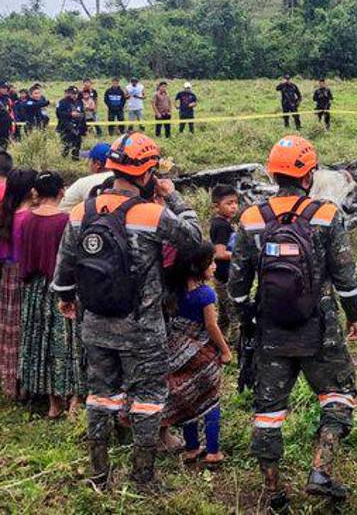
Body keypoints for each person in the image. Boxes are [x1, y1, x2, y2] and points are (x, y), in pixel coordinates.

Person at [52, 132, 203, 489]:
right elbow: (194, 239)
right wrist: (174, 197)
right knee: (148, 400)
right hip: (143, 328)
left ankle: (98, 476)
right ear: (147, 172)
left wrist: (67, 298)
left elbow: (64, 270)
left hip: (95, 324)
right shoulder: (152, 214)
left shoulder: (80, 211)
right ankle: (142, 478)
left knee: (100, 396)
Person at [228, 135, 357, 507]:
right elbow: (347, 279)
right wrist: (354, 316)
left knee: (268, 410)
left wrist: (247, 320)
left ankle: (273, 492)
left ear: (273, 174)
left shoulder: (251, 218)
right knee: (338, 395)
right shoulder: (326, 215)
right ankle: (321, 469)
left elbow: (236, 286)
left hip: (270, 327)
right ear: (309, 174)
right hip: (320, 326)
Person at [16, 172, 81, 418]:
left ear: (36, 193)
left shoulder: (25, 220)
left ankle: (52, 402)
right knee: (67, 344)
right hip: (60, 290)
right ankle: (73, 398)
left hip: (34, 288)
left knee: (38, 342)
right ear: (61, 191)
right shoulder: (65, 220)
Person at [165, 242, 230, 467]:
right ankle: (213, 452)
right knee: (211, 401)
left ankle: (192, 448)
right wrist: (225, 350)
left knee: (187, 399)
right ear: (197, 267)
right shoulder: (206, 294)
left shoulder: (173, 293)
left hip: (177, 356)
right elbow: (211, 326)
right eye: (210, 263)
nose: (214, 266)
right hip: (203, 356)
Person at [0, 168, 36, 399]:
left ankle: (9, 380)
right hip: (25, 276)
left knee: (8, 329)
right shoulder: (29, 219)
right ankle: (25, 384)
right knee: (26, 329)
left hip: (6, 275)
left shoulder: (6, 214)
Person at [208, 184, 239, 343]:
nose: (234, 207)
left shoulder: (224, 223)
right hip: (224, 277)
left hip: (222, 276)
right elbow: (219, 253)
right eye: (229, 203)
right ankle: (236, 345)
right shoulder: (221, 226)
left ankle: (217, 341)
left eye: (235, 202)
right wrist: (239, 255)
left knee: (225, 314)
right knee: (235, 315)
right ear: (216, 206)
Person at [60, 143, 114, 212]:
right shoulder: (124, 181)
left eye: (90, 160)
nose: (88, 163)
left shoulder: (83, 182)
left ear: (97, 164)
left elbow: (62, 206)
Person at [55, 86, 87, 160]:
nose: (74, 95)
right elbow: (59, 114)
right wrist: (70, 114)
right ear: (68, 93)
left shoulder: (80, 102)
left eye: (76, 94)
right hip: (66, 127)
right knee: (66, 145)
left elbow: (83, 114)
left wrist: (84, 128)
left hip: (78, 126)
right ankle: (63, 158)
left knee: (77, 144)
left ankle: (75, 158)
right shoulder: (62, 102)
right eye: (72, 94)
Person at [0, 81, 13, 150]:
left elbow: (11, 113)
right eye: (3, 88)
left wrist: (11, 128)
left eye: (6, 88)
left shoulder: (8, 99)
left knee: (4, 148)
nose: (5, 89)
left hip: (6, 127)